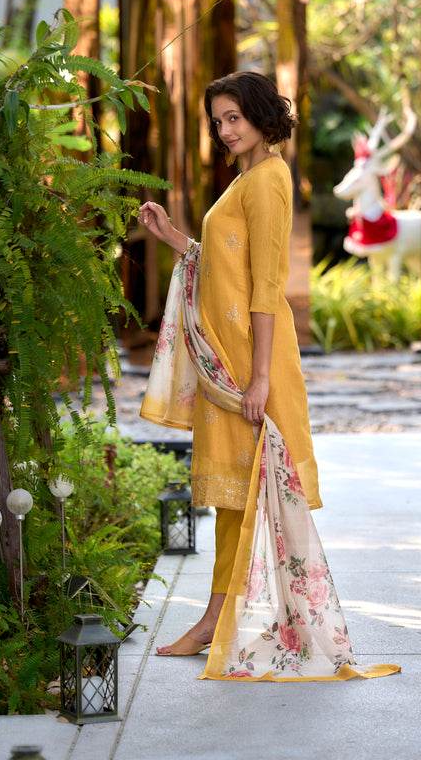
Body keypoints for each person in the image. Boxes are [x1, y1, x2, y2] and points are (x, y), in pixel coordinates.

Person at [138, 70, 321, 656]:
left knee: (242, 496)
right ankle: (213, 622)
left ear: (262, 116)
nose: (224, 130)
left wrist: (261, 377)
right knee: (232, 499)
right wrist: (175, 239)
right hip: (230, 357)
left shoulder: (267, 180)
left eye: (233, 118)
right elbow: (224, 268)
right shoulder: (248, 179)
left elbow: (267, 286)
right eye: (218, 121)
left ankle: (212, 622)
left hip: (249, 362)